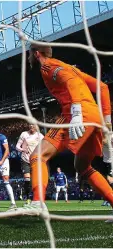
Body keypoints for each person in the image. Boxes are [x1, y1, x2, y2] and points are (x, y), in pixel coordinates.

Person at [24, 42, 113, 215]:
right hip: (95, 116)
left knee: (38, 156)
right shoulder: (68, 67)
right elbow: (102, 87)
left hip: (75, 115)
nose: (28, 57)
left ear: (36, 54)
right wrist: (107, 123)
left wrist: (77, 112)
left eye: (29, 54)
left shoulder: (48, 66)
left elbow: (69, 81)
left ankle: (37, 203)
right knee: (83, 166)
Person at [15, 124, 44, 204]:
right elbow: (17, 146)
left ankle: (36, 198)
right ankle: (28, 198)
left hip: (35, 160)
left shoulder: (40, 136)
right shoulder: (24, 134)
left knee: (35, 180)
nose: (32, 127)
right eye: (30, 126)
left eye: (33, 126)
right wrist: (22, 150)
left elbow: (44, 147)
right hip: (25, 159)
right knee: (27, 179)